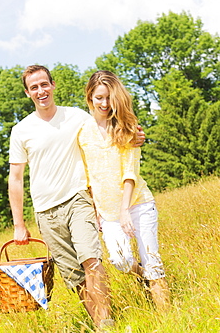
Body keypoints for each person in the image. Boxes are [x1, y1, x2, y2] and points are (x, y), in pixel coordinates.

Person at [8, 65, 145, 330]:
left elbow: (108, 125)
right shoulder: (21, 130)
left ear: (53, 85)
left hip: (78, 199)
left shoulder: (77, 117)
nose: (40, 91)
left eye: (44, 84)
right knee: (74, 277)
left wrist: (135, 136)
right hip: (46, 212)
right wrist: (18, 224)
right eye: (34, 87)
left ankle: (109, 323)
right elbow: (15, 179)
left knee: (91, 260)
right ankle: (100, 323)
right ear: (28, 93)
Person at [78, 70, 170, 312]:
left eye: (109, 97)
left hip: (138, 205)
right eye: (99, 98)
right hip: (108, 213)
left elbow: (130, 172)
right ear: (90, 98)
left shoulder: (127, 126)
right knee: (120, 261)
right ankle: (145, 277)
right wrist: (96, 209)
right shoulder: (82, 132)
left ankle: (168, 318)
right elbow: (88, 176)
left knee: (153, 262)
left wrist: (125, 210)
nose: (105, 104)